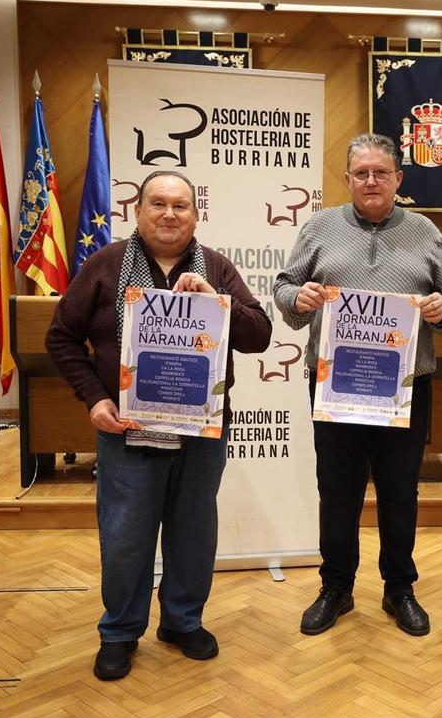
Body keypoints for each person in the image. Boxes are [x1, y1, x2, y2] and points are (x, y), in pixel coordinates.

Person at [46, 170, 272, 680]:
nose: (169, 214)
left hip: (201, 433)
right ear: (138, 210)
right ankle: (119, 632)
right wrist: (94, 397)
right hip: (127, 430)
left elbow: (258, 336)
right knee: (126, 534)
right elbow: (61, 337)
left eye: (180, 205)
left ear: (196, 214)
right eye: (158, 204)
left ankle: (182, 621)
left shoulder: (216, 267)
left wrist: (217, 301)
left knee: (193, 530)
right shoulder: (106, 265)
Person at [273, 133, 442, 637]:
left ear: (399, 178)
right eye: (362, 173)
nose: (372, 181)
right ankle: (336, 587)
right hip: (336, 385)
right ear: (348, 179)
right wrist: (298, 298)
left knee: (400, 491)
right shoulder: (319, 227)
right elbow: (284, 286)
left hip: (405, 386)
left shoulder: (425, 231)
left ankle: (399, 588)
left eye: (381, 173)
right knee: (338, 491)